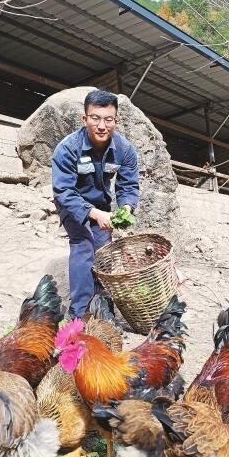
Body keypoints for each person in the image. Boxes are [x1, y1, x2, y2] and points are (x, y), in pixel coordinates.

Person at [52, 90, 140, 318]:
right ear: (85, 119)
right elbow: (63, 190)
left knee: (103, 251)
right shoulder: (68, 148)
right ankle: (78, 314)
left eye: (108, 119)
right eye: (95, 118)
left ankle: (102, 310)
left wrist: (126, 208)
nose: (102, 125)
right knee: (83, 244)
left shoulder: (124, 150)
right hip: (72, 204)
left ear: (116, 121)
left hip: (101, 204)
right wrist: (93, 214)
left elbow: (128, 186)